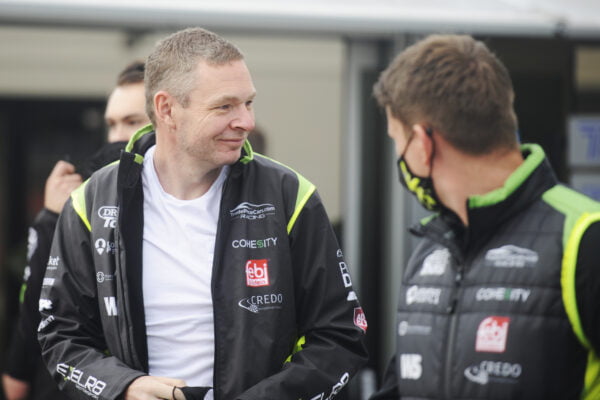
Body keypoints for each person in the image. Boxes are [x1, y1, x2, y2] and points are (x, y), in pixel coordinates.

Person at [38, 27, 368, 400]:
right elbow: (61, 336)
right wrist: (123, 388)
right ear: (166, 109)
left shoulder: (289, 196)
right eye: (224, 106)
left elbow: (341, 335)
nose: (246, 121)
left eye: (248, 103)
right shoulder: (92, 202)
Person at [370, 34, 600, 400]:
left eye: (397, 141)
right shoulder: (434, 248)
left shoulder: (585, 237)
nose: (400, 156)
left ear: (424, 143)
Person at [2, 60, 149, 400]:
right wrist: (51, 219)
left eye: (132, 122)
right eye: (111, 124)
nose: (117, 136)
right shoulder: (81, 196)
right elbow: (37, 317)